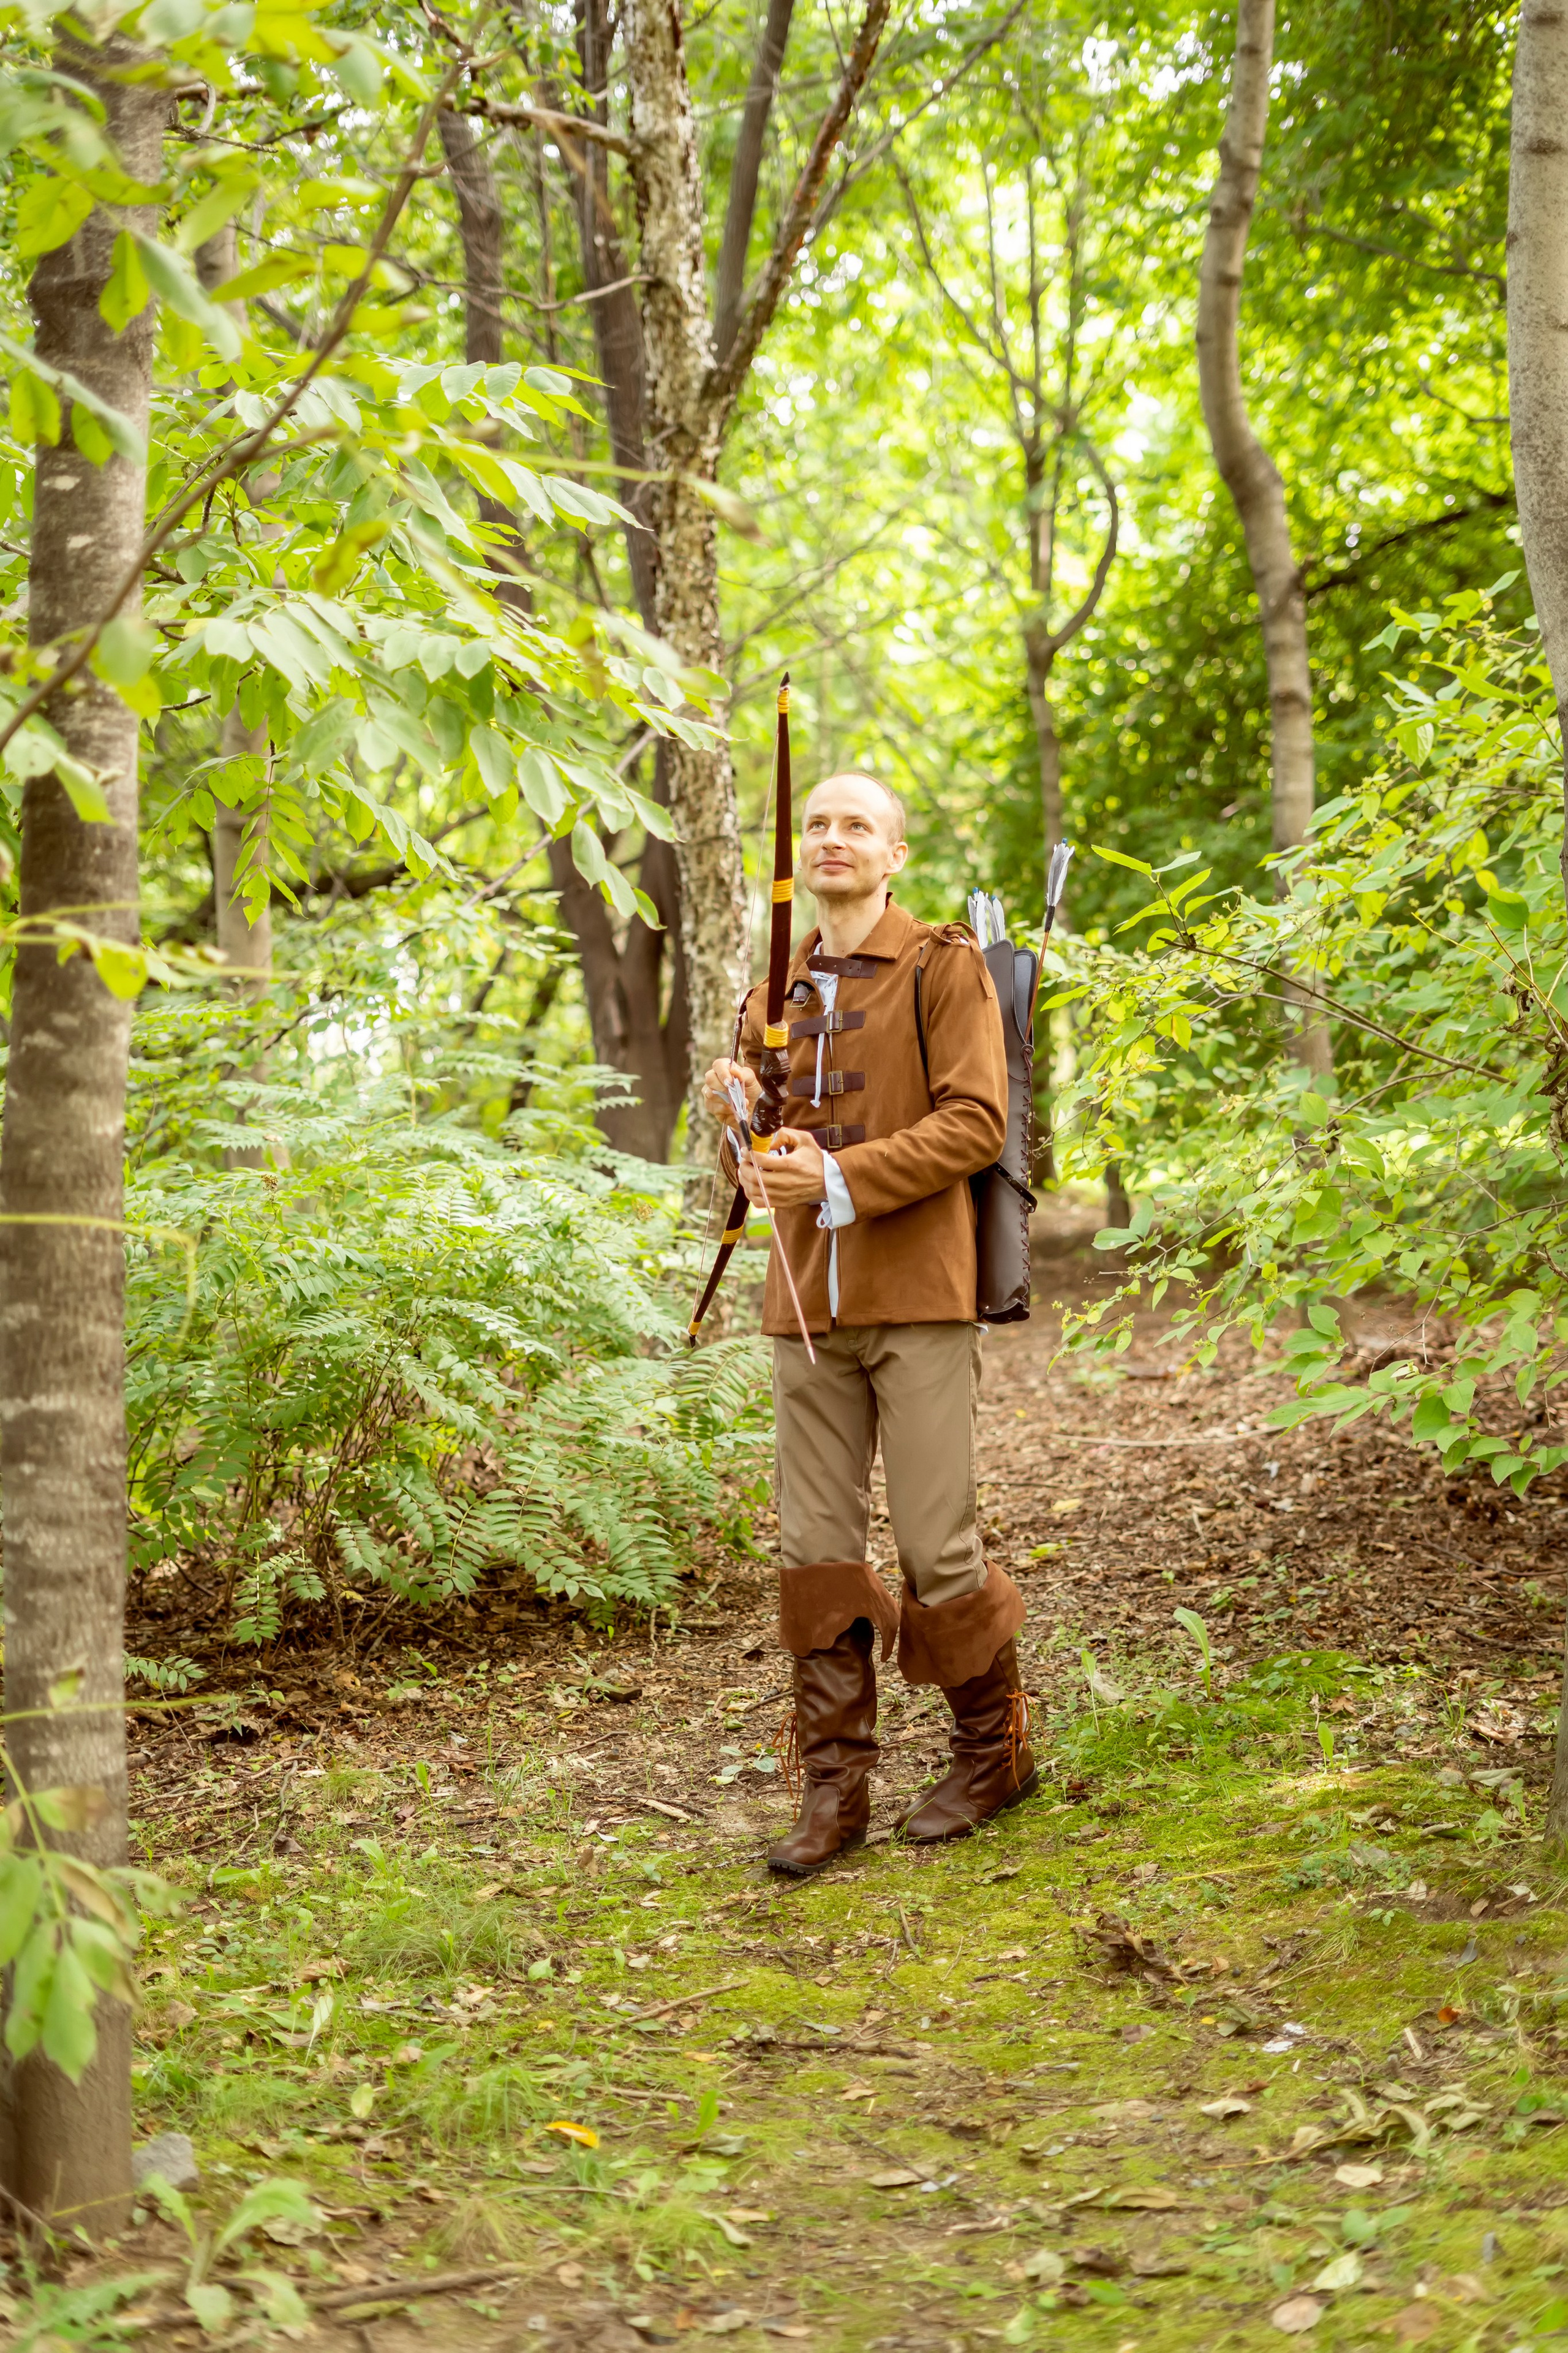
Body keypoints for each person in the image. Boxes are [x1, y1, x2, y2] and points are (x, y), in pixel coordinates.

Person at [700, 771, 1038, 1875]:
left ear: (895, 854)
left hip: (920, 1293)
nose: (832, 837)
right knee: (815, 1552)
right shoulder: (771, 996)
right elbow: (754, 1178)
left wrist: (837, 1176)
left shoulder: (942, 967)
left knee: (938, 1541)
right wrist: (738, 1124)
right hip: (804, 1305)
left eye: (858, 824)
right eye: (819, 822)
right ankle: (833, 1790)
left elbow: (978, 1125)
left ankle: (994, 1755)